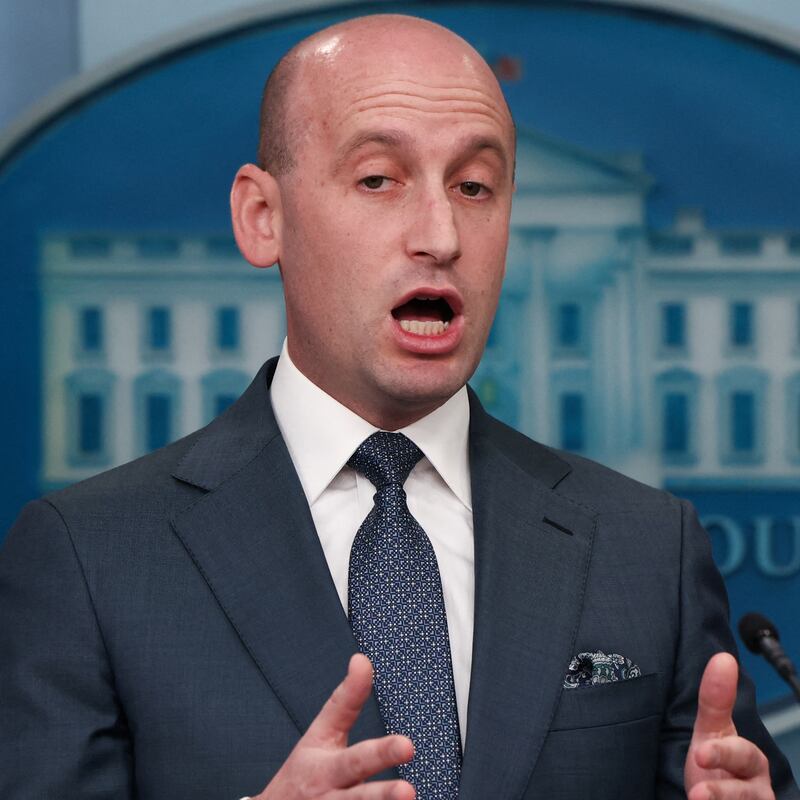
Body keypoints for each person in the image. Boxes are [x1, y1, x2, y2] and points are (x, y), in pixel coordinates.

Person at [0, 13, 797, 800]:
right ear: (262, 217)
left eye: (475, 186)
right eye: (379, 179)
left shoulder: (648, 548)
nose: (441, 235)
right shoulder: (88, 561)